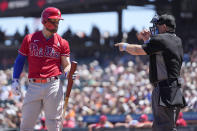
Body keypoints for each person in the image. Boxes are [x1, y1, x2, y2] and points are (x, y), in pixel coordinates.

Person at [115, 14, 187, 131]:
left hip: (164, 88)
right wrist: (148, 41)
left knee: (163, 127)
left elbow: (138, 50)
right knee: (164, 126)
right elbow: (159, 51)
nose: (155, 28)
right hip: (174, 88)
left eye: (157, 25)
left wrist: (124, 46)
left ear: (164, 26)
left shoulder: (161, 39)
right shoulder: (177, 40)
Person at [11, 7, 77, 131]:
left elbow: (66, 64)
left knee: (53, 124)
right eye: (53, 21)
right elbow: (20, 60)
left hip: (53, 85)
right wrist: (15, 79)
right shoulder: (30, 39)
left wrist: (69, 72)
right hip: (33, 85)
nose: (56, 24)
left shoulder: (62, 42)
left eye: (58, 21)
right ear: (44, 21)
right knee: (26, 125)